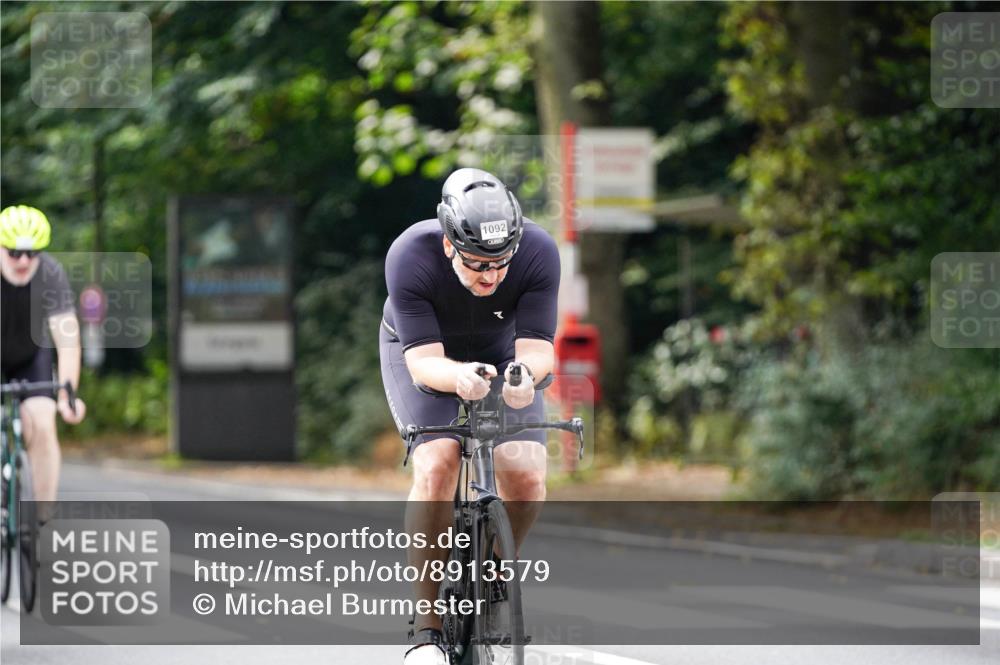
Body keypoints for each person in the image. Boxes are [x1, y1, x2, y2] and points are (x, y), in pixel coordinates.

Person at [380, 169, 559, 665]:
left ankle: (494, 574)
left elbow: (540, 350)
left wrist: (524, 377)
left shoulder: (539, 251)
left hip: (503, 356)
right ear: (447, 245)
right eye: (478, 263)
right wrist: (458, 378)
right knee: (438, 462)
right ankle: (426, 627)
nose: (491, 276)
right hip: (424, 353)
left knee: (526, 478)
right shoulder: (409, 255)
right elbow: (422, 363)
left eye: (502, 263)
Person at [0, 205, 86, 507]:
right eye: (13, 253)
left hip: (29, 357)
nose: (23, 261)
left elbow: (67, 338)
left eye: (32, 253)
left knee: (43, 422)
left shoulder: (50, 273)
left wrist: (68, 395)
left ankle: (42, 524)